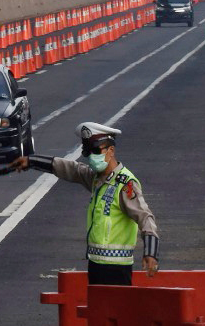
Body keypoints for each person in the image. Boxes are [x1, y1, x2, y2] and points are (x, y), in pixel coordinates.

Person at [10, 121, 159, 285]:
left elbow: (145, 217)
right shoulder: (97, 179)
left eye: (96, 150)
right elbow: (71, 169)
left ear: (111, 151)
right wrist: (31, 161)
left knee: (114, 311)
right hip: (95, 265)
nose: (91, 156)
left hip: (117, 269)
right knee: (96, 310)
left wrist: (150, 253)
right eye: (88, 151)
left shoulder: (125, 184)